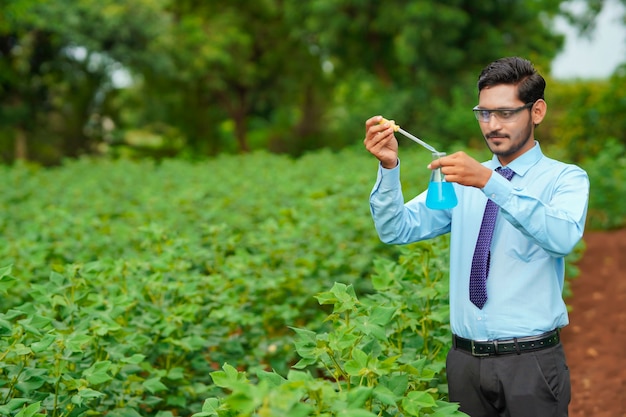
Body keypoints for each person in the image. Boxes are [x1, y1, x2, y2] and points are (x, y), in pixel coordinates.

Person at [363, 57, 589, 417]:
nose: (492, 125)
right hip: (465, 363)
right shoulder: (463, 180)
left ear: (537, 112)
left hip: (531, 363)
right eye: (484, 114)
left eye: (505, 113)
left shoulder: (565, 179)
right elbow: (397, 228)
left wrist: (489, 182)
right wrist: (389, 168)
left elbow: (561, 237)